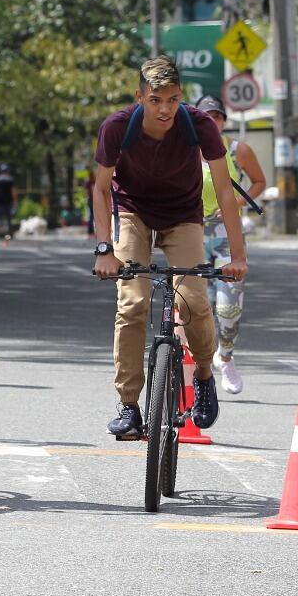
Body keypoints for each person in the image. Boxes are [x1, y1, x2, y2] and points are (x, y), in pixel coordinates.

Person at [91, 56, 248, 439]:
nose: (165, 109)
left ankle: (206, 376)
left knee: (193, 300)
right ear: (140, 96)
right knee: (132, 302)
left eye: (173, 99)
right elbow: (99, 188)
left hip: (183, 215)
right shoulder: (117, 127)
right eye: (156, 99)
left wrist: (238, 256)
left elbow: (226, 192)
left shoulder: (198, 126)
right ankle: (129, 405)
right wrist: (103, 249)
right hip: (133, 213)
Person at [195, 95, 267, 394]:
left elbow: (259, 182)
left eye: (218, 117)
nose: (213, 122)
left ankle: (225, 357)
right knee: (194, 303)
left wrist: (233, 203)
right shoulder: (183, 150)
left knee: (228, 304)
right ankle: (195, 364)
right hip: (192, 232)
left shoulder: (238, 151)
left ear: (225, 121)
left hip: (228, 232)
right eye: (207, 116)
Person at [0, 164, 17, 238]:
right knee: (9, 217)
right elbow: (13, 191)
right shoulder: (11, 179)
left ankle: (1, 232)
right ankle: (9, 232)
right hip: (9, 201)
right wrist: (15, 201)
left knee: (1, 217)